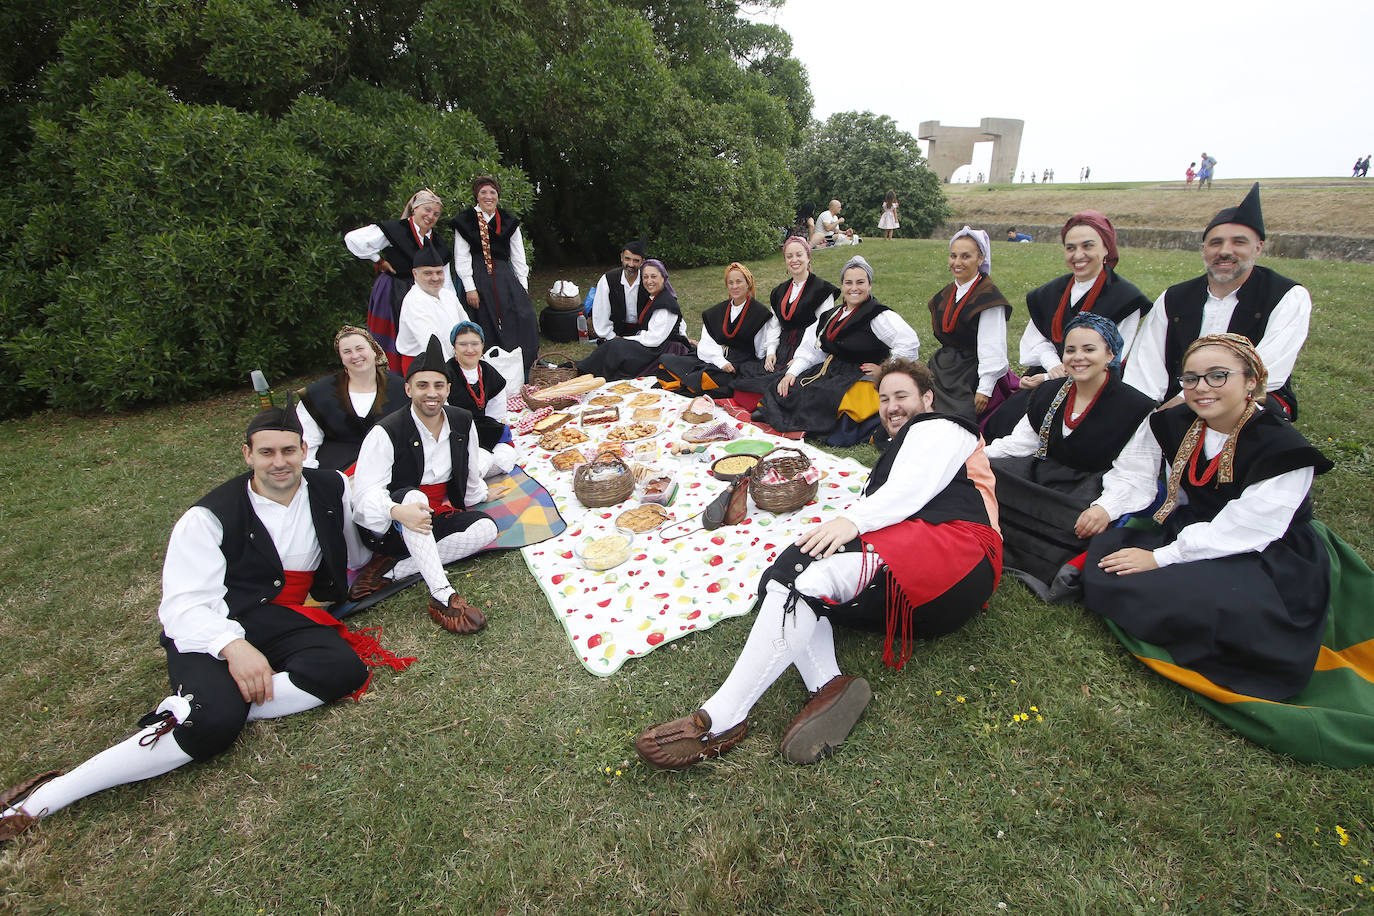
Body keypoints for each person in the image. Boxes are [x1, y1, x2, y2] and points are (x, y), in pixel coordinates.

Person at [0, 401, 405, 842]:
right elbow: (183, 607)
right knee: (212, 727)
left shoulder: (328, 487)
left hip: (278, 616)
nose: (279, 462)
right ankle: (46, 796)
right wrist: (233, 647)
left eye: (289, 451)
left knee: (343, 670)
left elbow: (354, 537)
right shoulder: (208, 517)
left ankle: (206, 704)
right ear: (247, 454)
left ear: (304, 451)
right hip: (212, 623)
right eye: (266, 452)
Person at [634, 358, 1002, 769]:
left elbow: (910, 490)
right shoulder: (902, 447)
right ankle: (828, 685)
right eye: (884, 399)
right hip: (930, 585)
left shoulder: (941, 427)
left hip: (955, 556)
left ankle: (721, 718)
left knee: (800, 571)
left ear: (928, 398)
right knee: (789, 575)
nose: (892, 406)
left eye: (902, 396)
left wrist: (851, 521)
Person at [1083, 334, 1334, 702]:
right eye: (1191, 378)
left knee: (1207, 603)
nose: (1202, 388)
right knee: (1108, 563)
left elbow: (1247, 526)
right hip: (1191, 528)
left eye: (1218, 376)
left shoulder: (1284, 449)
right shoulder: (1174, 421)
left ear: (1251, 381)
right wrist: (1107, 506)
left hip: (1266, 552)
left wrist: (1159, 557)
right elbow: (1135, 472)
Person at [983, 313, 1156, 598]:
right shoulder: (1048, 391)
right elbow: (1021, 444)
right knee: (988, 478)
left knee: (1075, 521)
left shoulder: (1136, 407)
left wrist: (1105, 508)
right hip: (1039, 474)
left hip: (1087, 488)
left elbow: (1135, 474)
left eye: (1090, 349)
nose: (1078, 358)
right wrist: (977, 456)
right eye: (1071, 350)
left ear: (1110, 353)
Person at [1124, 183, 1311, 420]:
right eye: (1216, 243)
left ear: (1258, 247)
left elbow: (1266, 372)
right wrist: (1146, 412)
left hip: (1249, 400)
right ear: (1203, 249)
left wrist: (1187, 399)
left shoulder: (1287, 296)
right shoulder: (1173, 298)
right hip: (1173, 405)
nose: (1225, 251)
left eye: (1238, 242)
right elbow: (1146, 366)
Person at [350, 336, 498, 634]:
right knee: (414, 497)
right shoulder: (386, 431)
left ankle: (391, 571)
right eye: (422, 385)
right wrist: (395, 511)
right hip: (391, 526)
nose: (431, 393)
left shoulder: (462, 420)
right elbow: (364, 497)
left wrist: (481, 493)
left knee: (488, 529)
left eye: (438, 385)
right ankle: (442, 593)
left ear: (448, 388)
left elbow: (468, 471)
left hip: (439, 513)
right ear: (408, 389)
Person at [753, 255, 920, 443]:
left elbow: (908, 341)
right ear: (842, 286)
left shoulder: (878, 315)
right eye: (848, 283)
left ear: (869, 285)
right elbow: (812, 349)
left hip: (859, 374)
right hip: (832, 370)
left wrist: (887, 370)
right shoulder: (830, 315)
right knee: (790, 386)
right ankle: (785, 417)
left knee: (830, 399)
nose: (854, 288)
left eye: (860, 282)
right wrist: (792, 373)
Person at [345, 189, 456, 367]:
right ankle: (388, 378)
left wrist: (446, 303)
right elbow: (353, 238)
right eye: (426, 210)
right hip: (393, 289)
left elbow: (446, 280)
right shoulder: (396, 229)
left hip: (425, 294)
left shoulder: (438, 243)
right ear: (415, 209)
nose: (430, 216)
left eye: (436, 214)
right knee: (390, 339)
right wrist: (378, 260)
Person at [449, 175, 538, 376]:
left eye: (492, 192)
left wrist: (522, 286)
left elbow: (518, 256)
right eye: (483, 192)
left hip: (504, 274)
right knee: (484, 319)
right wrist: (470, 287)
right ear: (477, 196)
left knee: (523, 316)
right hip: (478, 275)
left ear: (498, 196)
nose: (488, 196)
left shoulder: (508, 221)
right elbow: (461, 256)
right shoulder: (465, 221)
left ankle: (521, 367)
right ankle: (486, 370)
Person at [296, 325, 410, 473]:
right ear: (341, 358)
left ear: (374, 351)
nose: (355, 355)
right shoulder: (318, 394)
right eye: (347, 351)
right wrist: (314, 479)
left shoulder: (403, 389)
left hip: (392, 470)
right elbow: (307, 442)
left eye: (360, 348)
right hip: (338, 476)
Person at [656, 262, 779, 398]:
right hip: (714, 356)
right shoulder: (717, 312)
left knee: (712, 377)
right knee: (670, 363)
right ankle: (691, 383)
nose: (735, 286)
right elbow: (707, 341)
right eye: (730, 282)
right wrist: (720, 361)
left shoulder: (759, 313)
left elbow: (760, 351)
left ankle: (691, 384)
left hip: (739, 363)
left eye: (739, 282)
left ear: (748, 283)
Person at [924, 227, 1010, 421]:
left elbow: (992, 344)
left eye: (965, 256)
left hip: (974, 370)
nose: (957, 262)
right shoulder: (943, 296)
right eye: (953, 256)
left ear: (980, 259)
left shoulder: (988, 297)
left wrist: (985, 389)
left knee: (956, 417)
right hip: (944, 365)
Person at [574, 259, 690, 381]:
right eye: (645, 277)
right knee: (614, 347)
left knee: (617, 347)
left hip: (665, 349)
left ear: (663, 278)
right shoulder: (656, 297)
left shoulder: (666, 304)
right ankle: (581, 369)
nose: (649, 281)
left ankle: (583, 371)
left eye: (653, 276)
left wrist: (627, 339)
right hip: (657, 345)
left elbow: (653, 339)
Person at [445, 321, 516, 479]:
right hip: (458, 435)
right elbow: (444, 418)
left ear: (482, 345)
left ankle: (476, 470)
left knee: (506, 456)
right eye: (463, 344)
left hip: (487, 431)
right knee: (478, 460)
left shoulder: (489, 373)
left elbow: (496, 416)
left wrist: (490, 435)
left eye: (475, 344)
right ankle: (473, 472)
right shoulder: (445, 376)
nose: (470, 350)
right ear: (454, 347)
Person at [759, 235, 840, 372]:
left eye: (799, 255)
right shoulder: (778, 292)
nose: (794, 260)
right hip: (782, 349)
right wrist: (771, 352)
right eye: (789, 256)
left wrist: (801, 358)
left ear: (808, 257)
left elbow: (822, 329)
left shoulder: (822, 289)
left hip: (809, 350)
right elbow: (774, 325)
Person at [395, 243, 469, 374]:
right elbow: (431, 343)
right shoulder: (414, 301)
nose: (435, 278)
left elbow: (466, 326)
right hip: (423, 365)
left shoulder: (447, 294)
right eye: (428, 273)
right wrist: (453, 372)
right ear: (415, 274)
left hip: (456, 361)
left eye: (439, 272)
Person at [589, 238, 646, 341]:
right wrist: (611, 336)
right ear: (621, 257)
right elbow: (601, 311)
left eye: (636, 260)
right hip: (616, 331)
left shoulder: (648, 280)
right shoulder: (608, 279)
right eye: (627, 259)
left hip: (644, 332)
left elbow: (664, 304)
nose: (631, 264)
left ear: (642, 262)